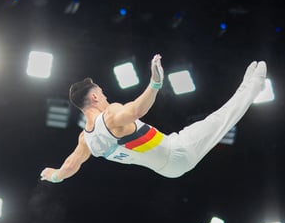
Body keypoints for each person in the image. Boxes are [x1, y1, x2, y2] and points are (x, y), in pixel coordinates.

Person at [39, 54, 267, 182]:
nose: (106, 95)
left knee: (213, 124)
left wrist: (54, 176)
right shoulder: (110, 115)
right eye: (102, 92)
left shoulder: (85, 140)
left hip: (167, 169)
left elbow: (70, 165)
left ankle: (248, 88)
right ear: (95, 97)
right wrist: (155, 84)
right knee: (219, 120)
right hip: (177, 151)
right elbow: (137, 110)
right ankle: (252, 87)